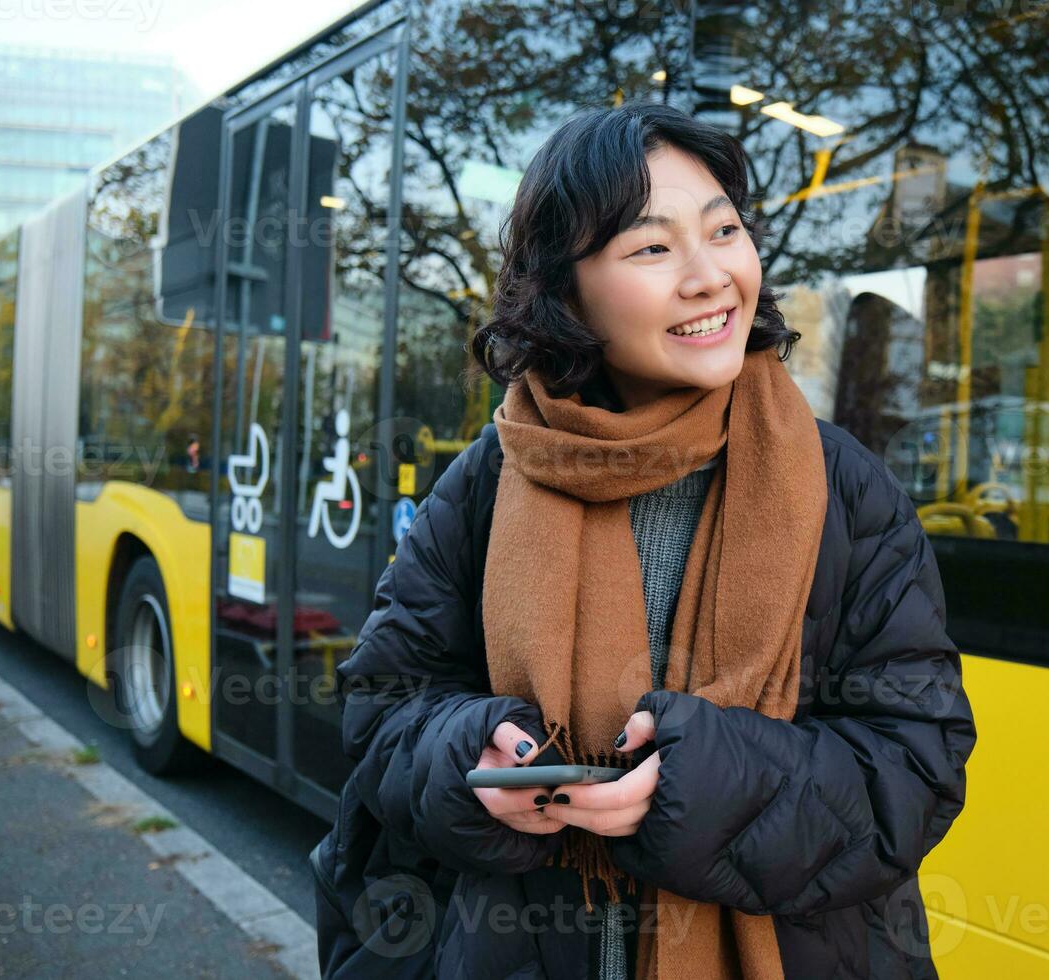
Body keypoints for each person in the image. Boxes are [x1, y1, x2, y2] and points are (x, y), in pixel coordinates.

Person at [312, 100, 975, 980]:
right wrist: (467, 755)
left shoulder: (845, 487)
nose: (709, 276)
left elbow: (915, 765)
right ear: (566, 288)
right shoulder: (492, 475)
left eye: (725, 231)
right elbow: (386, 703)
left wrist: (693, 786)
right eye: (652, 247)